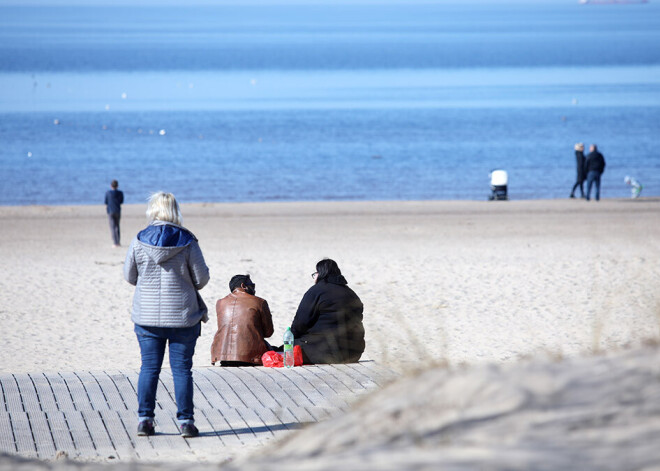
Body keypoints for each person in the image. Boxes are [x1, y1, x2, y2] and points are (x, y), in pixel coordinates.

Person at [123, 192, 210, 438]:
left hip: (147, 317)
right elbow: (201, 279)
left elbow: (129, 276)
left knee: (149, 368)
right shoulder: (188, 240)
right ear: (175, 210)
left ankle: (145, 420)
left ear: (153, 210)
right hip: (183, 316)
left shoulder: (139, 239)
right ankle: (186, 422)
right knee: (182, 370)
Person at [290, 259, 365, 364]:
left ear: (321, 273)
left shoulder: (316, 291)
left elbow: (300, 323)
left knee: (291, 345)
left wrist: (292, 338)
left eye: (315, 274)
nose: (314, 277)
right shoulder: (351, 293)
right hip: (353, 353)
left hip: (324, 352)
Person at [211, 274, 274, 366]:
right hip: (251, 357)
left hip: (222, 356)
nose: (254, 289)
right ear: (243, 286)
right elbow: (268, 333)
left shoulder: (220, 303)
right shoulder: (260, 302)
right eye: (252, 286)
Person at [104, 179, 124, 247]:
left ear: (111, 186)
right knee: (117, 226)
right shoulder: (120, 193)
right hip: (117, 210)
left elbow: (106, 202)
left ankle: (115, 242)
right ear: (117, 186)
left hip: (110, 211)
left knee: (112, 227)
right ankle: (118, 242)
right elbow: (121, 201)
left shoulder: (108, 193)